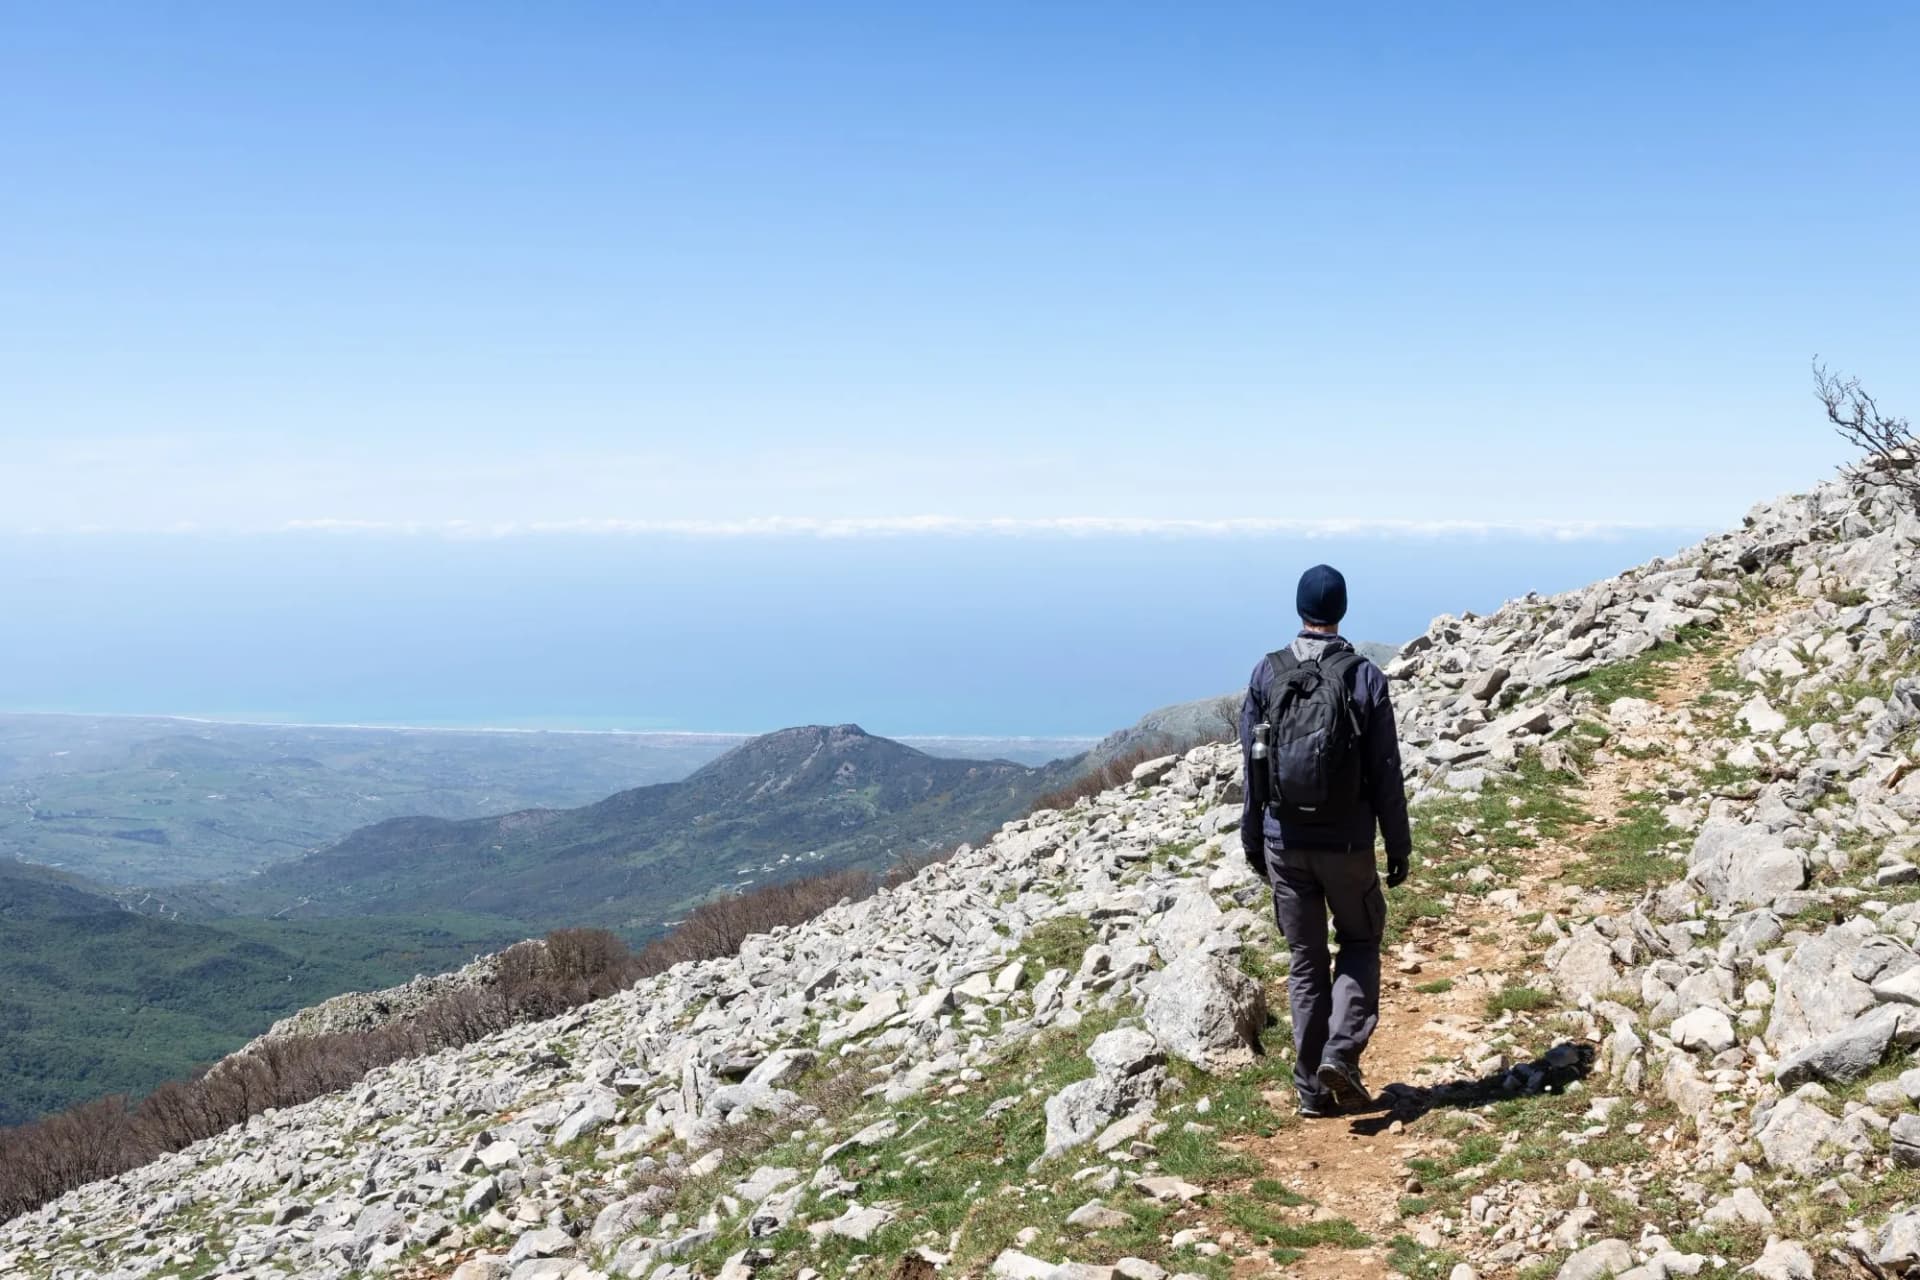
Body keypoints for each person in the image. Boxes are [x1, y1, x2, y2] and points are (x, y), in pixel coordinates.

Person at [1239, 564, 1412, 1118]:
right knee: (1359, 943)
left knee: (1306, 960)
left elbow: (1253, 767)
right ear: (1341, 610)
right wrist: (1398, 844)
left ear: (1300, 609)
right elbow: (1387, 771)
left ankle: (1310, 1088)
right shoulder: (1364, 677)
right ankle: (1342, 1052)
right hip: (1348, 844)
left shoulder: (1268, 674)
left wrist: (1252, 841)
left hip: (1283, 842)